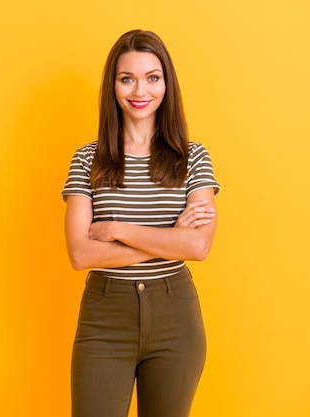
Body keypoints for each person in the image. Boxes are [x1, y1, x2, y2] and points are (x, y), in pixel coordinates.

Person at [62, 29, 220, 417]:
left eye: (152, 77)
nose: (140, 90)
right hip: (104, 317)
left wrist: (117, 230)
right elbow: (81, 254)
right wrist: (171, 237)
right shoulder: (87, 159)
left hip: (175, 316)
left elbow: (198, 247)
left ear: (167, 82)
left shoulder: (192, 158)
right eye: (126, 78)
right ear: (112, 85)